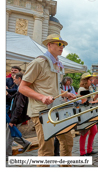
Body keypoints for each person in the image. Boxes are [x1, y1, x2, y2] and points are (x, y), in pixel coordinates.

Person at [19, 34, 76, 167]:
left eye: (63, 45)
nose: (62, 47)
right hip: (42, 111)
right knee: (47, 151)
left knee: (67, 142)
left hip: (57, 109)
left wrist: (66, 94)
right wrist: (42, 97)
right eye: (59, 44)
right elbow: (22, 87)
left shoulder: (58, 64)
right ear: (49, 45)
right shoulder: (38, 62)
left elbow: (52, 89)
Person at [6, 72, 32, 160]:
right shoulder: (20, 89)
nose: (13, 81)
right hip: (15, 116)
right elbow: (14, 100)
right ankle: (25, 143)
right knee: (10, 134)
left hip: (16, 117)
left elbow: (19, 107)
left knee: (9, 136)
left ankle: (6, 155)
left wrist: (13, 120)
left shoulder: (22, 90)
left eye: (14, 79)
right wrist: (7, 95)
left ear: (20, 79)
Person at [77, 73, 98, 156]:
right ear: (85, 81)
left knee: (94, 131)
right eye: (90, 80)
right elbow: (85, 102)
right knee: (84, 133)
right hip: (84, 114)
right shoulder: (81, 89)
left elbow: (90, 100)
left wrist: (97, 97)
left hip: (89, 113)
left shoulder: (88, 88)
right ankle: (82, 152)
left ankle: (89, 149)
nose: (91, 81)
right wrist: (97, 101)